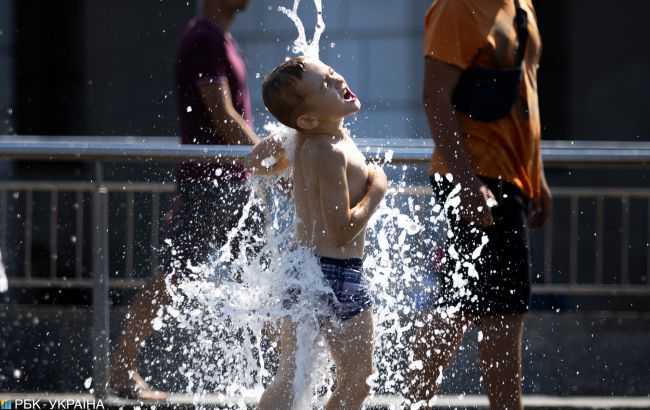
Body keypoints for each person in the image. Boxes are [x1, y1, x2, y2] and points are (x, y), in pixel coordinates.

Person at [109, 0, 259, 399]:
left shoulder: (218, 38)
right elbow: (222, 115)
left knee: (264, 277)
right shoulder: (203, 38)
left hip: (228, 182)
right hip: (213, 183)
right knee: (173, 277)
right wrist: (270, 163)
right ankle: (121, 370)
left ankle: (286, 375)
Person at [406, 0, 552, 409]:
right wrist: (467, 183)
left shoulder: (521, 4)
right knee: (502, 311)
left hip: (510, 178)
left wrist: (536, 176)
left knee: (458, 302)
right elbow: (434, 96)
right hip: (479, 176)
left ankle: (410, 404)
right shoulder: (458, 5)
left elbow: (527, 88)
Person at [244, 56, 388, 410]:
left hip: (302, 268)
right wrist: (377, 191)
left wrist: (287, 134)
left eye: (330, 72)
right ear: (308, 118)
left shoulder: (305, 141)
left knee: (291, 376)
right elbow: (341, 232)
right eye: (325, 84)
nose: (337, 79)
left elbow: (252, 162)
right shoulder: (329, 151)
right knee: (358, 379)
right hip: (338, 273)